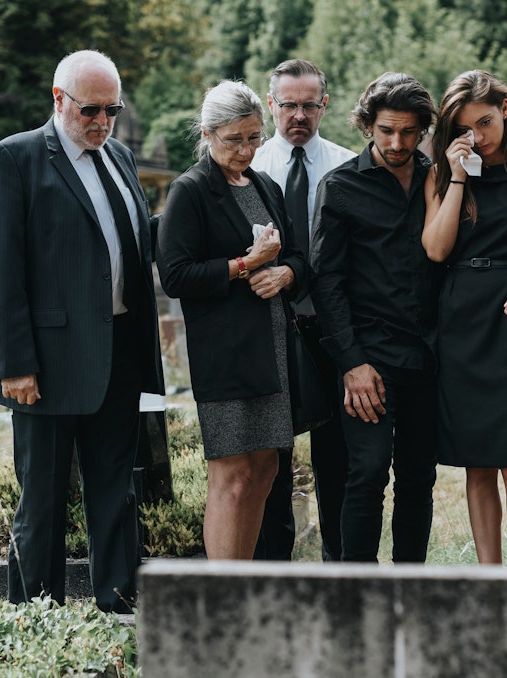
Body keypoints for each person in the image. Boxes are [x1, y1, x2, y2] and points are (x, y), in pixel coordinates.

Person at [0, 50, 163, 612]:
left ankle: (118, 609)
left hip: (118, 357)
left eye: (113, 109)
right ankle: (36, 622)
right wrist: (13, 363)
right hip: (45, 366)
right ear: (59, 100)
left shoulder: (121, 157)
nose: (103, 122)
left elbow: (131, 244)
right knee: (43, 503)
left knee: (116, 494)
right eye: (91, 111)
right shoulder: (15, 159)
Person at [157, 80, 308, 560]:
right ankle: (220, 594)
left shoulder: (265, 185)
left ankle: (245, 583)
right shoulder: (190, 191)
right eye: (234, 140)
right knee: (232, 475)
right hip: (224, 352)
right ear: (207, 133)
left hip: (273, 349)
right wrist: (245, 265)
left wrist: (284, 273)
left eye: (254, 137)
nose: (246, 150)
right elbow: (176, 275)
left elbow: (301, 257)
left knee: (264, 471)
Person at [311, 72, 440, 563]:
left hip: (427, 357)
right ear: (367, 125)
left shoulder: (438, 178)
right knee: (365, 473)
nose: (397, 142)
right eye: (386, 130)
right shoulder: (340, 186)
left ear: (423, 129)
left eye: (409, 131)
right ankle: (355, 591)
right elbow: (327, 281)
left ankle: (411, 586)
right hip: (369, 359)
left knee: (418, 478)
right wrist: (352, 362)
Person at [423, 70, 507, 564]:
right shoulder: (441, 172)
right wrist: (456, 175)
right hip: (462, 318)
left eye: (487, 121)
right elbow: (435, 248)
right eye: (466, 128)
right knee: (476, 465)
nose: (479, 136)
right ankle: (490, 578)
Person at [250, 59, 355, 562]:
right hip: (270, 330)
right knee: (274, 454)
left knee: (337, 456)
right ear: (271, 105)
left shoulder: (348, 166)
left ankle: (338, 565)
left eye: (308, 105)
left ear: (324, 106)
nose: (298, 115)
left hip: (332, 329)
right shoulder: (249, 168)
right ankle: (277, 566)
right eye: (287, 105)